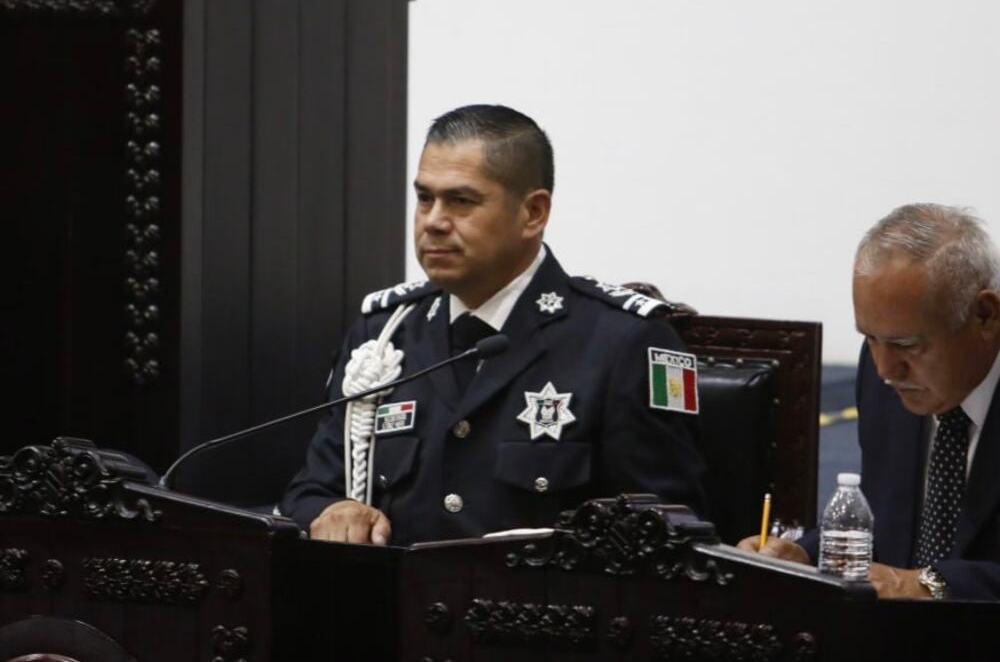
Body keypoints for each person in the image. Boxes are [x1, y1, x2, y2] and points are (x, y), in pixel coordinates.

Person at [280, 104, 706, 546]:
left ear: (533, 213)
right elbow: (310, 490)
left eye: (461, 201)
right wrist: (332, 511)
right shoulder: (385, 333)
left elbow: (666, 532)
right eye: (425, 198)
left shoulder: (624, 343)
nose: (433, 222)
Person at [739, 203, 1000, 600]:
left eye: (906, 344)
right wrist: (806, 557)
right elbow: (888, 529)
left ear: (984, 315)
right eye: (870, 338)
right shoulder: (885, 375)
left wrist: (930, 585)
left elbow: (915, 576)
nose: (884, 369)